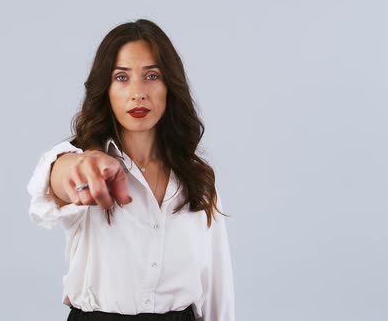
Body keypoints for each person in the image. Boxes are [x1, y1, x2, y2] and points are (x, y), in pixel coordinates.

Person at [27, 19, 235, 321]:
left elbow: (217, 285)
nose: (138, 93)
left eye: (152, 76)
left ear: (169, 87)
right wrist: (78, 168)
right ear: (106, 89)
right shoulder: (84, 162)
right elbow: (57, 177)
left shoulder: (197, 178)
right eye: (121, 78)